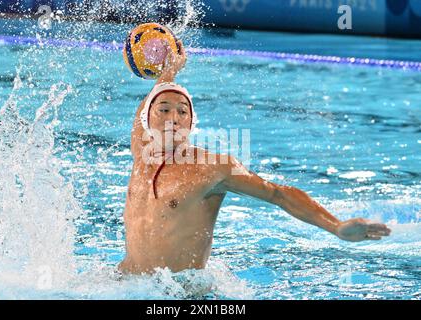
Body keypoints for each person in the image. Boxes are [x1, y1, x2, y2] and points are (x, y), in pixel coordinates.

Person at [117, 40, 391, 276]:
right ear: (147, 118)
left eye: (182, 112)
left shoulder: (213, 168)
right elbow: (149, 101)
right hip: (125, 282)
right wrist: (169, 72)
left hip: (178, 292)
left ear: (191, 123)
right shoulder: (142, 152)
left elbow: (278, 194)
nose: (173, 119)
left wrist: (337, 227)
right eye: (163, 110)